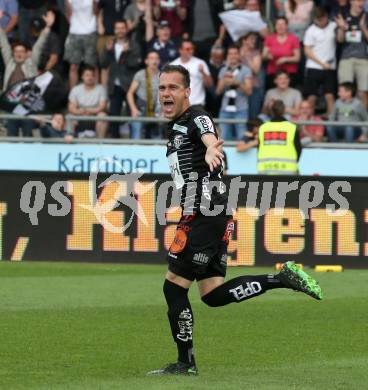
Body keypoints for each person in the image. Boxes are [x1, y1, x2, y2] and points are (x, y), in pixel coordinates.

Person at [147, 64, 322, 376]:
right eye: (162, 88)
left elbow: (207, 134)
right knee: (212, 294)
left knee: (173, 288)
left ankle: (185, 363)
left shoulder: (195, 116)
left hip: (203, 214)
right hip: (212, 212)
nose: (166, 94)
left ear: (187, 91)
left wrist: (212, 147)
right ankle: (280, 279)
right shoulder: (173, 126)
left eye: (173, 88)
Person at [0, 11, 54, 137]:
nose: (19, 54)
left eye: (22, 51)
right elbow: (3, 44)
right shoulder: (10, 62)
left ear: (26, 53)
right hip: (12, 104)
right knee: (11, 134)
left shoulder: (31, 62)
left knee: (27, 134)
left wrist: (48, 27)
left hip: (27, 104)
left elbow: (39, 46)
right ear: (13, 53)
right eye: (16, 51)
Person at [101, 19, 142, 138]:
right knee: (114, 115)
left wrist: (126, 53)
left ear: (126, 29)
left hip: (130, 86)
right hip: (114, 86)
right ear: (114, 30)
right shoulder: (110, 45)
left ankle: (133, 142)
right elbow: (103, 64)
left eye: (122, 28)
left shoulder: (133, 45)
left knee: (131, 114)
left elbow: (135, 64)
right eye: (117, 28)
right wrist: (108, 52)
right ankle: (114, 142)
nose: (120, 31)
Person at [303, 7, 337, 115]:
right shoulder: (310, 30)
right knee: (311, 97)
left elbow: (340, 39)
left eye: (322, 19)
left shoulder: (333, 26)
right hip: (314, 66)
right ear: (314, 20)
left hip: (330, 66)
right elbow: (307, 51)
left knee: (330, 96)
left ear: (326, 16)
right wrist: (322, 64)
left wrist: (341, 27)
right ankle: (309, 122)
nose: (321, 22)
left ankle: (331, 123)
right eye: (318, 20)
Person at [335, 0, 368, 107]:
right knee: (345, 91)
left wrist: (363, 27)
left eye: (363, 1)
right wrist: (341, 28)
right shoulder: (343, 15)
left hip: (363, 59)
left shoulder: (366, 17)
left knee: (363, 91)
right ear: (352, 1)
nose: (361, 3)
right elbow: (339, 40)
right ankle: (345, 118)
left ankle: (362, 121)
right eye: (359, 0)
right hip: (346, 58)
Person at [216, 45, 253, 140]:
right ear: (227, 56)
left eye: (235, 53)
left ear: (239, 55)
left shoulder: (246, 70)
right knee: (222, 138)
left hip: (241, 109)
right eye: (230, 54)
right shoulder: (223, 70)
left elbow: (249, 92)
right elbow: (218, 92)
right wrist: (224, 81)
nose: (233, 56)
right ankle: (222, 156)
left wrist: (238, 83)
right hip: (225, 109)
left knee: (242, 138)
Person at [258, 99, 302, 174]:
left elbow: (259, 148)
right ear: (284, 110)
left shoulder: (263, 128)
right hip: (288, 170)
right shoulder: (292, 128)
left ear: (271, 111)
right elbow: (298, 148)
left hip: (266, 170)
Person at [64, 0, 98, 88]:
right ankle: (73, 94)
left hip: (91, 31)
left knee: (92, 65)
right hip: (75, 32)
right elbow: (68, 14)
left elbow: (96, 12)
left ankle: (95, 92)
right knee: (73, 66)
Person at [126, 50, 160, 138]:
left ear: (159, 61)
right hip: (141, 107)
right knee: (136, 134)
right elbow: (130, 93)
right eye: (151, 58)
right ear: (146, 61)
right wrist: (133, 109)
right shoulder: (140, 74)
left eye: (156, 58)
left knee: (157, 138)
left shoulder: (162, 76)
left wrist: (164, 110)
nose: (154, 61)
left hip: (156, 109)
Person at [68, 66, 108, 138]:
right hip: (80, 115)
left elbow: (102, 106)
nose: (90, 77)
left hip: (95, 115)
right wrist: (79, 112)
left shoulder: (100, 88)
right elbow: (71, 107)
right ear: (82, 76)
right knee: (70, 116)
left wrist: (90, 111)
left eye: (92, 75)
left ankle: (100, 142)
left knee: (102, 115)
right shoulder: (76, 89)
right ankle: (70, 140)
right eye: (87, 75)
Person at [171, 40, 213, 107]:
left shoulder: (200, 63)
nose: (191, 51)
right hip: (179, 105)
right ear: (180, 50)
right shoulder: (173, 65)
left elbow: (210, 85)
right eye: (188, 49)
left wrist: (203, 72)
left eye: (192, 48)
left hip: (197, 105)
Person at [262, 16, 301, 88]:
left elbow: (297, 58)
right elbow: (263, 56)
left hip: (289, 73)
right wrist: (268, 56)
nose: (280, 27)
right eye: (278, 24)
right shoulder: (269, 38)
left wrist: (285, 59)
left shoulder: (293, 39)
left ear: (286, 26)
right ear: (275, 26)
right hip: (273, 73)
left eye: (282, 24)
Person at [239, 32, 264, 119]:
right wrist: (240, 54)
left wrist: (246, 57)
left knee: (252, 115)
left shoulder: (256, 53)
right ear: (244, 41)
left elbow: (256, 70)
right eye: (251, 39)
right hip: (239, 87)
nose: (254, 41)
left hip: (253, 88)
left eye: (255, 39)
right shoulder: (236, 52)